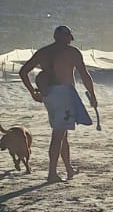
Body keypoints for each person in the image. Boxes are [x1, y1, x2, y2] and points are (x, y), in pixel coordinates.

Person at [19, 25, 99, 183]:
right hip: (65, 95)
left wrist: (33, 92)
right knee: (58, 135)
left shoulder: (43, 52)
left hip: (49, 95)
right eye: (70, 37)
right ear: (66, 37)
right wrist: (92, 95)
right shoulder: (72, 52)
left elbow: (23, 72)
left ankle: (68, 168)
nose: (71, 40)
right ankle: (52, 174)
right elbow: (84, 75)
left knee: (63, 133)